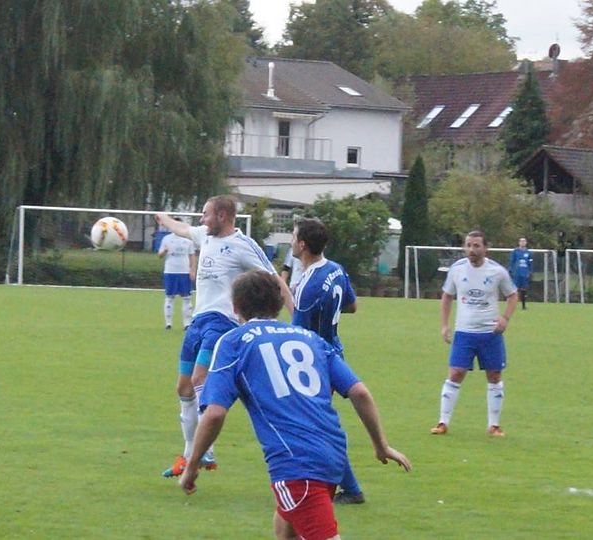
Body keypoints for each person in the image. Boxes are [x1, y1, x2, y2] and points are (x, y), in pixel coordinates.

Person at [179, 271, 411, 540]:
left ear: (235, 307)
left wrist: (192, 466)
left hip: (296, 465)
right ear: (279, 303)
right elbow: (359, 392)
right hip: (333, 454)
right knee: (285, 526)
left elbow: (215, 413)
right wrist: (381, 445)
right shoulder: (310, 338)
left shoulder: (233, 342)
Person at [155, 196, 294, 478]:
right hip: (198, 322)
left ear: (221, 215)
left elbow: (274, 280)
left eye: (205, 214)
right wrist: (163, 218)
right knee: (183, 388)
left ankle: (206, 449)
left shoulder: (243, 245)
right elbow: (182, 229)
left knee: (199, 379)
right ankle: (190, 454)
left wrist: (296, 316)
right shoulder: (204, 235)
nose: (201, 219)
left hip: (222, 322)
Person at [289, 218, 364, 504]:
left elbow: (297, 336)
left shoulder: (307, 286)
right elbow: (352, 306)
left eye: (293, 237)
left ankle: (348, 488)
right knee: (316, 422)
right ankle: (339, 485)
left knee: (315, 424)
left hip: (315, 362)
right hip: (334, 350)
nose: (291, 242)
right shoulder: (336, 269)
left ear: (302, 245)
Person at [431, 230, 518, 437]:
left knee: (494, 375)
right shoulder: (457, 269)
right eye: (468, 245)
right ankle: (442, 422)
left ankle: (494, 425)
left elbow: (513, 295)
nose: (472, 249)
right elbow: (447, 296)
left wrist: (505, 318)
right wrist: (445, 325)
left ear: (485, 248)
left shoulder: (497, 271)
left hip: (490, 333)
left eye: (476, 245)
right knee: (455, 373)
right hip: (464, 332)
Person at [157, 229, 196, 330]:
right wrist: (165, 251)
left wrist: (192, 270)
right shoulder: (167, 239)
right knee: (169, 297)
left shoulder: (188, 240)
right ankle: (168, 323)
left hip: (184, 272)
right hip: (170, 271)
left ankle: (187, 324)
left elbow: (192, 256)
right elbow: (159, 255)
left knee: (186, 298)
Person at [508, 237, 532, 310]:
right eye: (521, 241)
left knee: (524, 290)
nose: (522, 243)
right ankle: (512, 305)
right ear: (519, 243)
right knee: (514, 290)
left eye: (524, 241)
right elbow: (512, 261)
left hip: (525, 274)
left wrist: (530, 271)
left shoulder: (528, 252)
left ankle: (523, 306)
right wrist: (511, 270)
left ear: (526, 243)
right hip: (517, 273)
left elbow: (530, 263)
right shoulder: (515, 251)